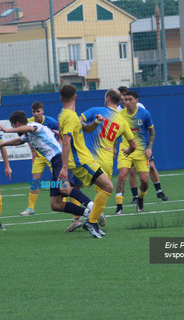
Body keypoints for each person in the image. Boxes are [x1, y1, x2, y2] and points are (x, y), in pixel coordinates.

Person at [0, 111, 95, 222]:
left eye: (13, 126)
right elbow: (18, 141)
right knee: (55, 204)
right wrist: (1, 144)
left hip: (59, 158)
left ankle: (92, 207)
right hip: (55, 162)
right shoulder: (28, 135)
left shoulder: (33, 126)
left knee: (64, 188)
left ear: (17, 124)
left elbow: (30, 129)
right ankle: (87, 213)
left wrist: (7, 130)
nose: (13, 129)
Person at [58, 84, 126, 239]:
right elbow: (66, 142)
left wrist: (96, 123)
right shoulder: (69, 117)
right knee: (107, 186)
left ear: (61, 98)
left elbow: (86, 129)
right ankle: (90, 219)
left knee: (74, 189)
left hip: (86, 159)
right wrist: (64, 167)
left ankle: (89, 219)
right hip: (82, 161)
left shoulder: (72, 116)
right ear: (76, 97)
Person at [117, 87, 169, 204]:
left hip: (142, 146)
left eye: (127, 97)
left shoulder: (141, 109)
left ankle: (159, 190)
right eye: (123, 97)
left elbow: (148, 129)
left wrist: (149, 147)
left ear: (134, 99)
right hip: (128, 147)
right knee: (130, 171)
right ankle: (136, 196)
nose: (125, 101)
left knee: (151, 166)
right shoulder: (119, 111)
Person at [115, 90, 155, 215]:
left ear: (136, 101)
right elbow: (115, 134)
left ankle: (140, 199)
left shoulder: (145, 114)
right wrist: (114, 148)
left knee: (145, 181)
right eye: (125, 100)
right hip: (125, 149)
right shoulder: (119, 115)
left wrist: (149, 148)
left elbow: (152, 132)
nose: (127, 102)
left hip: (141, 151)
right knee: (122, 175)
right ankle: (119, 207)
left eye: (130, 100)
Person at [20, 101, 59, 216]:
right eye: (34, 111)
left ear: (42, 111)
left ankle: (63, 201)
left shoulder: (51, 122)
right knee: (35, 180)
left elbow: (59, 136)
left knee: (58, 179)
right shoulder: (30, 122)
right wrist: (33, 151)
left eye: (38, 111)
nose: (36, 114)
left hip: (52, 155)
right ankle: (30, 208)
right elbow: (27, 138)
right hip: (39, 155)